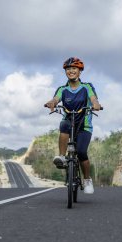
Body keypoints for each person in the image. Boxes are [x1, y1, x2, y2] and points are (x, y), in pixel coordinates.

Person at [45, 57, 101, 194]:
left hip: (84, 125)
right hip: (69, 121)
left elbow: (93, 98)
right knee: (63, 124)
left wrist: (96, 104)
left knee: (81, 152)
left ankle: (87, 180)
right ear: (65, 72)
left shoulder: (87, 87)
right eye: (68, 69)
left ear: (80, 71)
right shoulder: (62, 89)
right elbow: (56, 99)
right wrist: (51, 103)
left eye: (74, 68)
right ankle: (62, 157)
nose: (71, 71)